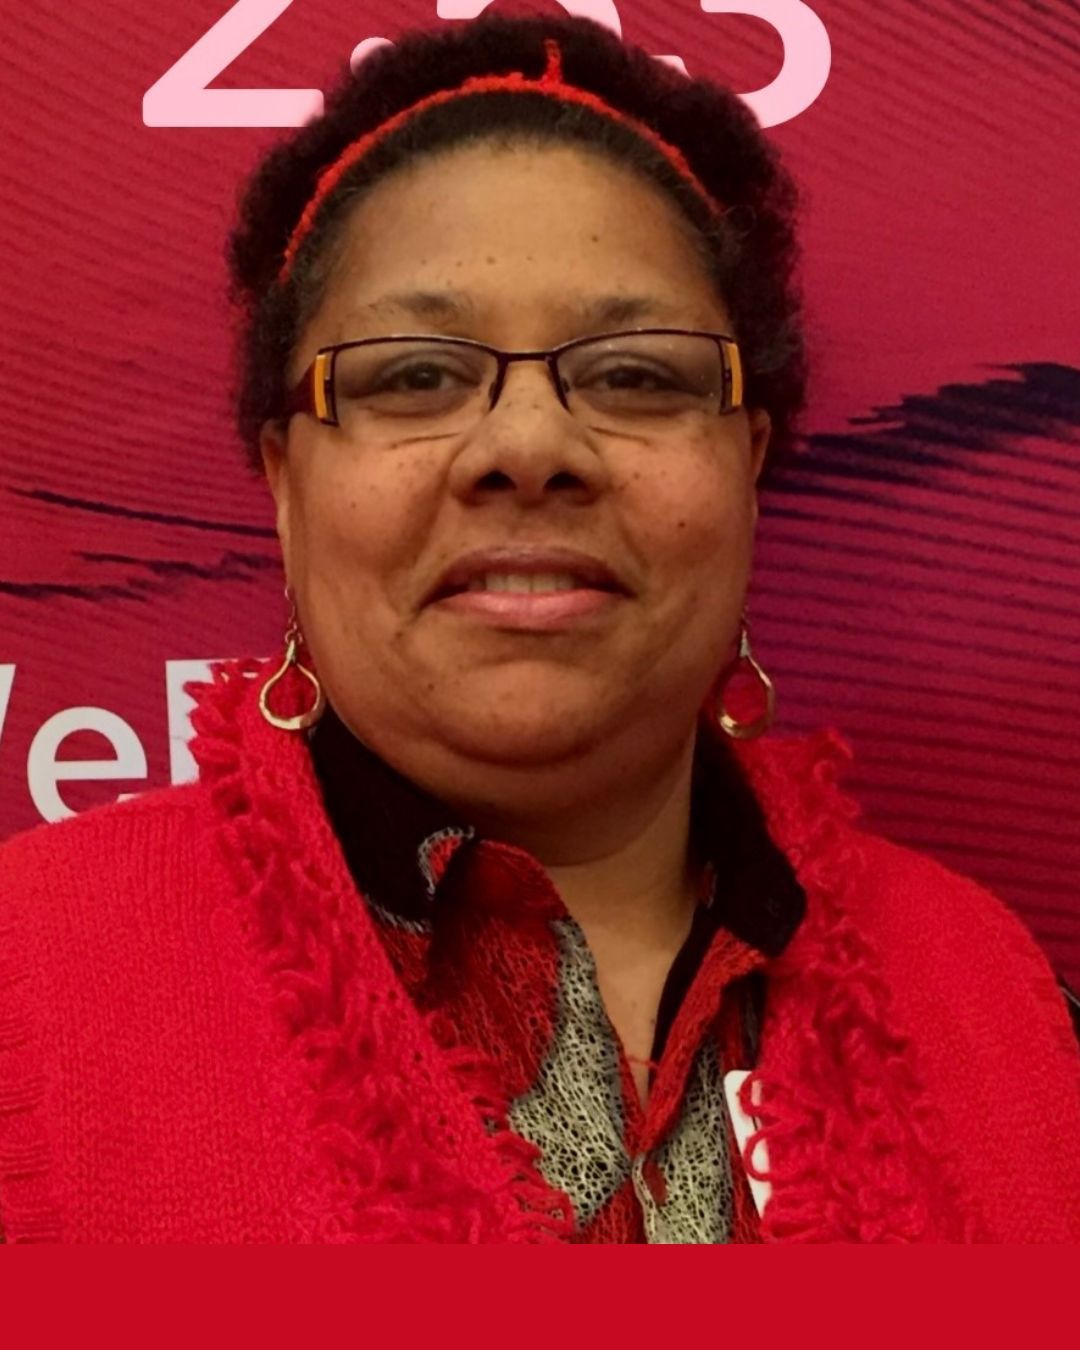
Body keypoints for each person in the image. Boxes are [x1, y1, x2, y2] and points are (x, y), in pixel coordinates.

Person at [0, 12, 1077, 1245]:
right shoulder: (28, 983)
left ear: (747, 463)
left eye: (634, 375)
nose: (527, 446)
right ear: (286, 484)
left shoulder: (992, 1000)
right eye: (415, 374)